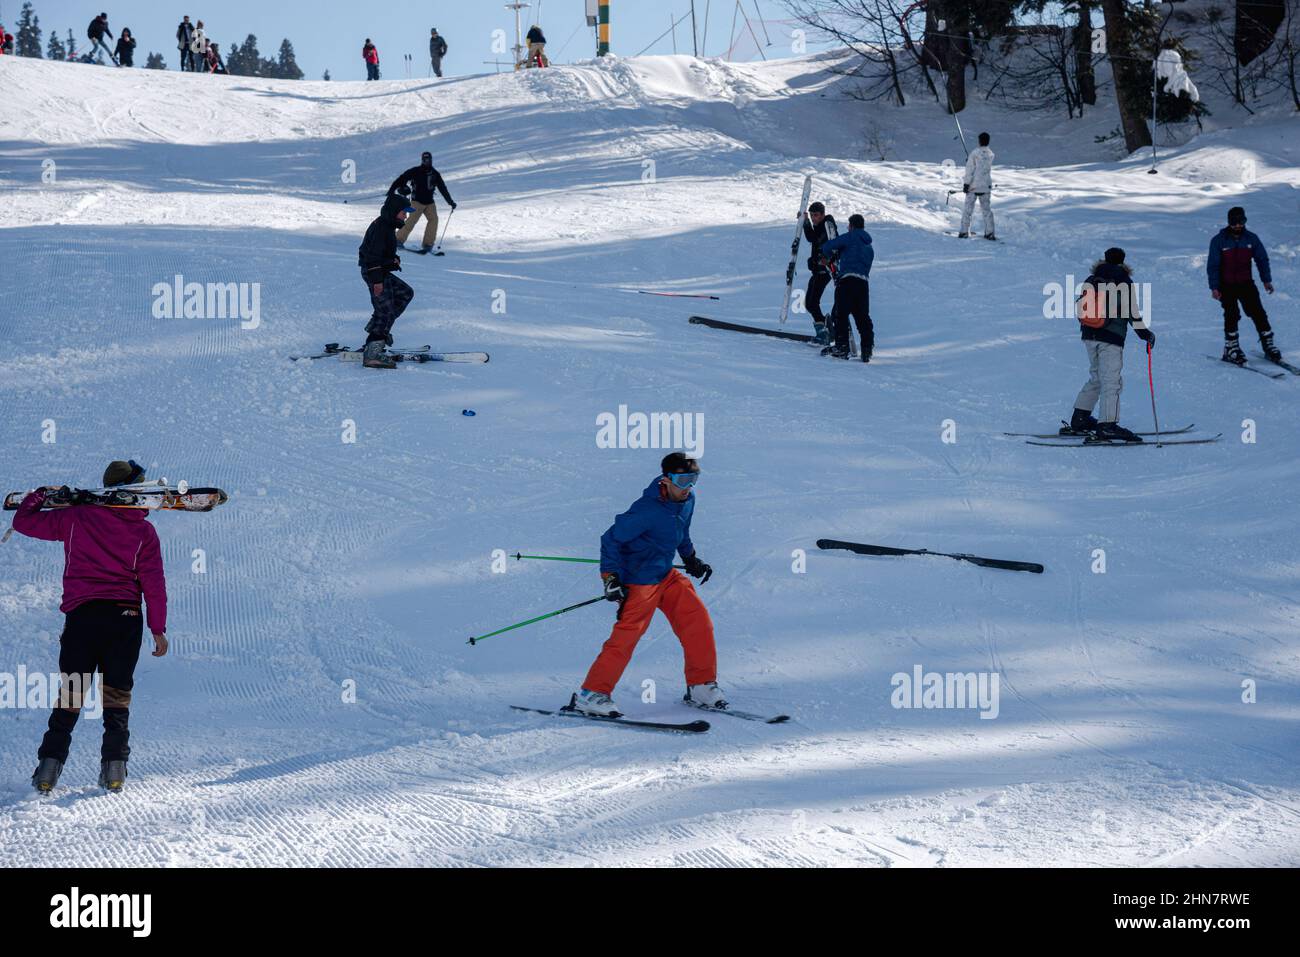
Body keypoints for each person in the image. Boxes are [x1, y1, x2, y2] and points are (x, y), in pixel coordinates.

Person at [15, 461, 169, 794]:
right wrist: (158, 628)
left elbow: (23, 522)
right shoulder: (144, 532)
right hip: (125, 620)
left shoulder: (75, 518)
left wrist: (41, 494)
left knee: (70, 694)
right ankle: (114, 771)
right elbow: (154, 584)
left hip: (83, 619)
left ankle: (47, 772)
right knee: (116, 697)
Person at [573, 453, 722, 717]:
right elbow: (610, 540)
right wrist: (610, 579)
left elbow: (681, 532)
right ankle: (591, 694)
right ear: (666, 479)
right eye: (682, 479)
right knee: (627, 636)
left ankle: (700, 685)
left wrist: (691, 558)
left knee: (698, 622)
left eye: (693, 479)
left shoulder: (688, 500)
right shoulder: (646, 509)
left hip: (665, 574)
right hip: (640, 579)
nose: (688, 486)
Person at [1064, 247, 1155, 442]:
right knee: (1111, 382)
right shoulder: (1124, 282)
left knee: (1096, 377)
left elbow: (1080, 306)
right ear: (1123, 262)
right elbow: (1132, 313)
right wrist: (1145, 335)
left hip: (1089, 335)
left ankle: (1080, 418)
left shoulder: (1091, 279)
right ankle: (1107, 425)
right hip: (1110, 338)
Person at [1208, 206, 1279, 365]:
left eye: (1241, 222)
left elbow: (1261, 259)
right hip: (1226, 285)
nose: (1238, 226)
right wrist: (1214, 287)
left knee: (1258, 312)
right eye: (1234, 223)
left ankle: (1268, 344)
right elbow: (1213, 266)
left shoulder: (1251, 239)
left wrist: (1266, 280)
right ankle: (1231, 348)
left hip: (1246, 283)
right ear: (1229, 222)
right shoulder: (1219, 241)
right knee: (1232, 313)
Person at [357, 194, 414, 369]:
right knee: (386, 311)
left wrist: (392, 260)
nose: (406, 216)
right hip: (375, 274)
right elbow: (372, 257)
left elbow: (381, 253)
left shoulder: (387, 225)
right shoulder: (382, 227)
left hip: (380, 271)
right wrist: (377, 282)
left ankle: (377, 330)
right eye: (404, 212)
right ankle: (373, 354)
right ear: (394, 211)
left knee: (405, 293)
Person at [818, 213, 874, 361]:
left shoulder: (850, 236)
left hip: (847, 281)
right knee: (862, 317)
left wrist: (828, 256)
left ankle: (842, 348)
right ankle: (867, 349)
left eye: (849, 226)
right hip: (863, 284)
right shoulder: (869, 248)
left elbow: (829, 245)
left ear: (852, 226)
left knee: (839, 313)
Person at [388, 152, 457, 254]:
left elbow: (443, 188)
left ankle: (428, 244)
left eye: (429, 159)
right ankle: (398, 240)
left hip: (430, 202)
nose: (427, 161)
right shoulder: (416, 171)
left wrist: (450, 202)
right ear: (422, 160)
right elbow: (401, 179)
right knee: (411, 220)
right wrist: (391, 191)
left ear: (431, 160)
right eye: (425, 160)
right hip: (417, 202)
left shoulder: (434, 174)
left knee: (433, 220)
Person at [802, 201, 839, 345]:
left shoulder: (827, 224)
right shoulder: (819, 226)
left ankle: (824, 334)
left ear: (823, 214)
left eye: (816, 215)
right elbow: (812, 238)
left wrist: (823, 259)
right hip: (818, 271)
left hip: (824, 271)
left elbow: (819, 239)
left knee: (812, 302)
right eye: (811, 216)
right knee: (809, 304)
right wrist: (805, 222)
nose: (813, 218)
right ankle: (826, 328)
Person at [958, 131, 995, 240]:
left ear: (979, 141)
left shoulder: (974, 153)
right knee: (986, 210)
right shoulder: (991, 154)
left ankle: (964, 232)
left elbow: (970, 169)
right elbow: (982, 166)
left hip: (973, 186)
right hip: (986, 186)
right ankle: (990, 232)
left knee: (968, 210)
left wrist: (966, 184)